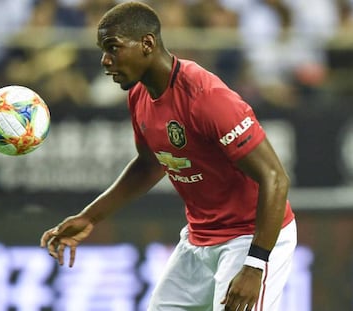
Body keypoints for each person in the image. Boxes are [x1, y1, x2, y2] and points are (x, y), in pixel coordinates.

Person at [40, 2, 297, 311]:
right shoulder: (139, 95)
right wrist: (89, 216)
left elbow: (275, 177)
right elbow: (150, 165)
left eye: (113, 48)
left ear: (147, 44)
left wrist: (255, 265)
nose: (105, 61)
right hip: (199, 238)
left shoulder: (206, 97)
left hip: (250, 237)